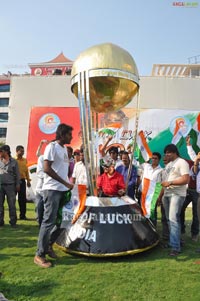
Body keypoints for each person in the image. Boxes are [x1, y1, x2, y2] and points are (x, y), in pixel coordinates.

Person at [34, 123, 74, 268]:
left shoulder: (64, 149)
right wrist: (65, 182)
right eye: (70, 134)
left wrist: (67, 184)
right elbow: (46, 168)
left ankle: (49, 245)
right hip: (52, 190)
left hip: (62, 190)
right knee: (48, 222)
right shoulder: (52, 147)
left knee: (62, 222)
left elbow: (62, 170)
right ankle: (39, 255)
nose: (72, 137)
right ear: (62, 135)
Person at [161, 144, 190, 256]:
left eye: (168, 152)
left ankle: (175, 247)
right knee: (170, 220)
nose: (167, 155)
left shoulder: (182, 162)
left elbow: (185, 179)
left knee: (173, 220)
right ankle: (174, 242)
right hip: (167, 194)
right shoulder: (169, 164)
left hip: (177, 194)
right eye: (166, 153)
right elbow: (165, 181)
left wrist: (170, 183)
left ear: (174, 152)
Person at [0, 145, 20, 227]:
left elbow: (18, 175)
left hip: (10, 186)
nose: (0, 153)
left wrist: (18, 184)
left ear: (6, 151)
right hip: (0, 186)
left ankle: (13, 222)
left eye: (1, 151)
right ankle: (0, 222)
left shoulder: (14, 162)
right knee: (0, 204)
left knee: (11, 204)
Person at [16, 145, 31, 220]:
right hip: (14, 181)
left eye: (23, 151)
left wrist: (28, 180)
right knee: (12, 199)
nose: (23, 152)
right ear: (17, 151)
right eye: (21, 151)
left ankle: (22, 215)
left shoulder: (25, 160)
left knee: (22, 199)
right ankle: (13, 215)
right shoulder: (13, 160)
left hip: (22, 180)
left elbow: (26, 171)